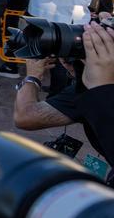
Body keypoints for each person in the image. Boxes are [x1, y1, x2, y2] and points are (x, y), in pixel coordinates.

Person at [14, 22, 114, 186]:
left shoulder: (100, 88)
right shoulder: (91, 85)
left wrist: (32, 78)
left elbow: (25, 116)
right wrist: (81, 77)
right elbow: (24, 117)